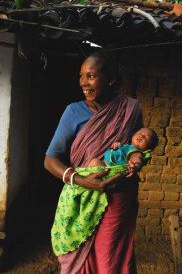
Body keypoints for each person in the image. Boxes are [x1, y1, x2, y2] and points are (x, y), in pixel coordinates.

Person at [44, 51, 145, 274]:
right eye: (81, 76)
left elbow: (136, 149)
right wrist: (82, 181)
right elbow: (50, 160)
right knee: (76, 259)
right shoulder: (73, 112)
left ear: (109, 79)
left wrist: (135, 163)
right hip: (80, 197)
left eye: (90, 76)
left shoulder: (129, 110)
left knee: (110, 261)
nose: (83, 83)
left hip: (117, 197)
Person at [51, 127, 158, 258]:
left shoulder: (136, 153)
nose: (142, 136)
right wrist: (117, 145)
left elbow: (138, 161)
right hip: (103, 167)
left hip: (108, 173)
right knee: (93, 163)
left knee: (94, 163)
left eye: (147, 137)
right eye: (140, 133)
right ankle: (84, 182)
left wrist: (134, 167)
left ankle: (83, 185)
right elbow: (117, 152)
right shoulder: (125, 146)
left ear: (149, 148)